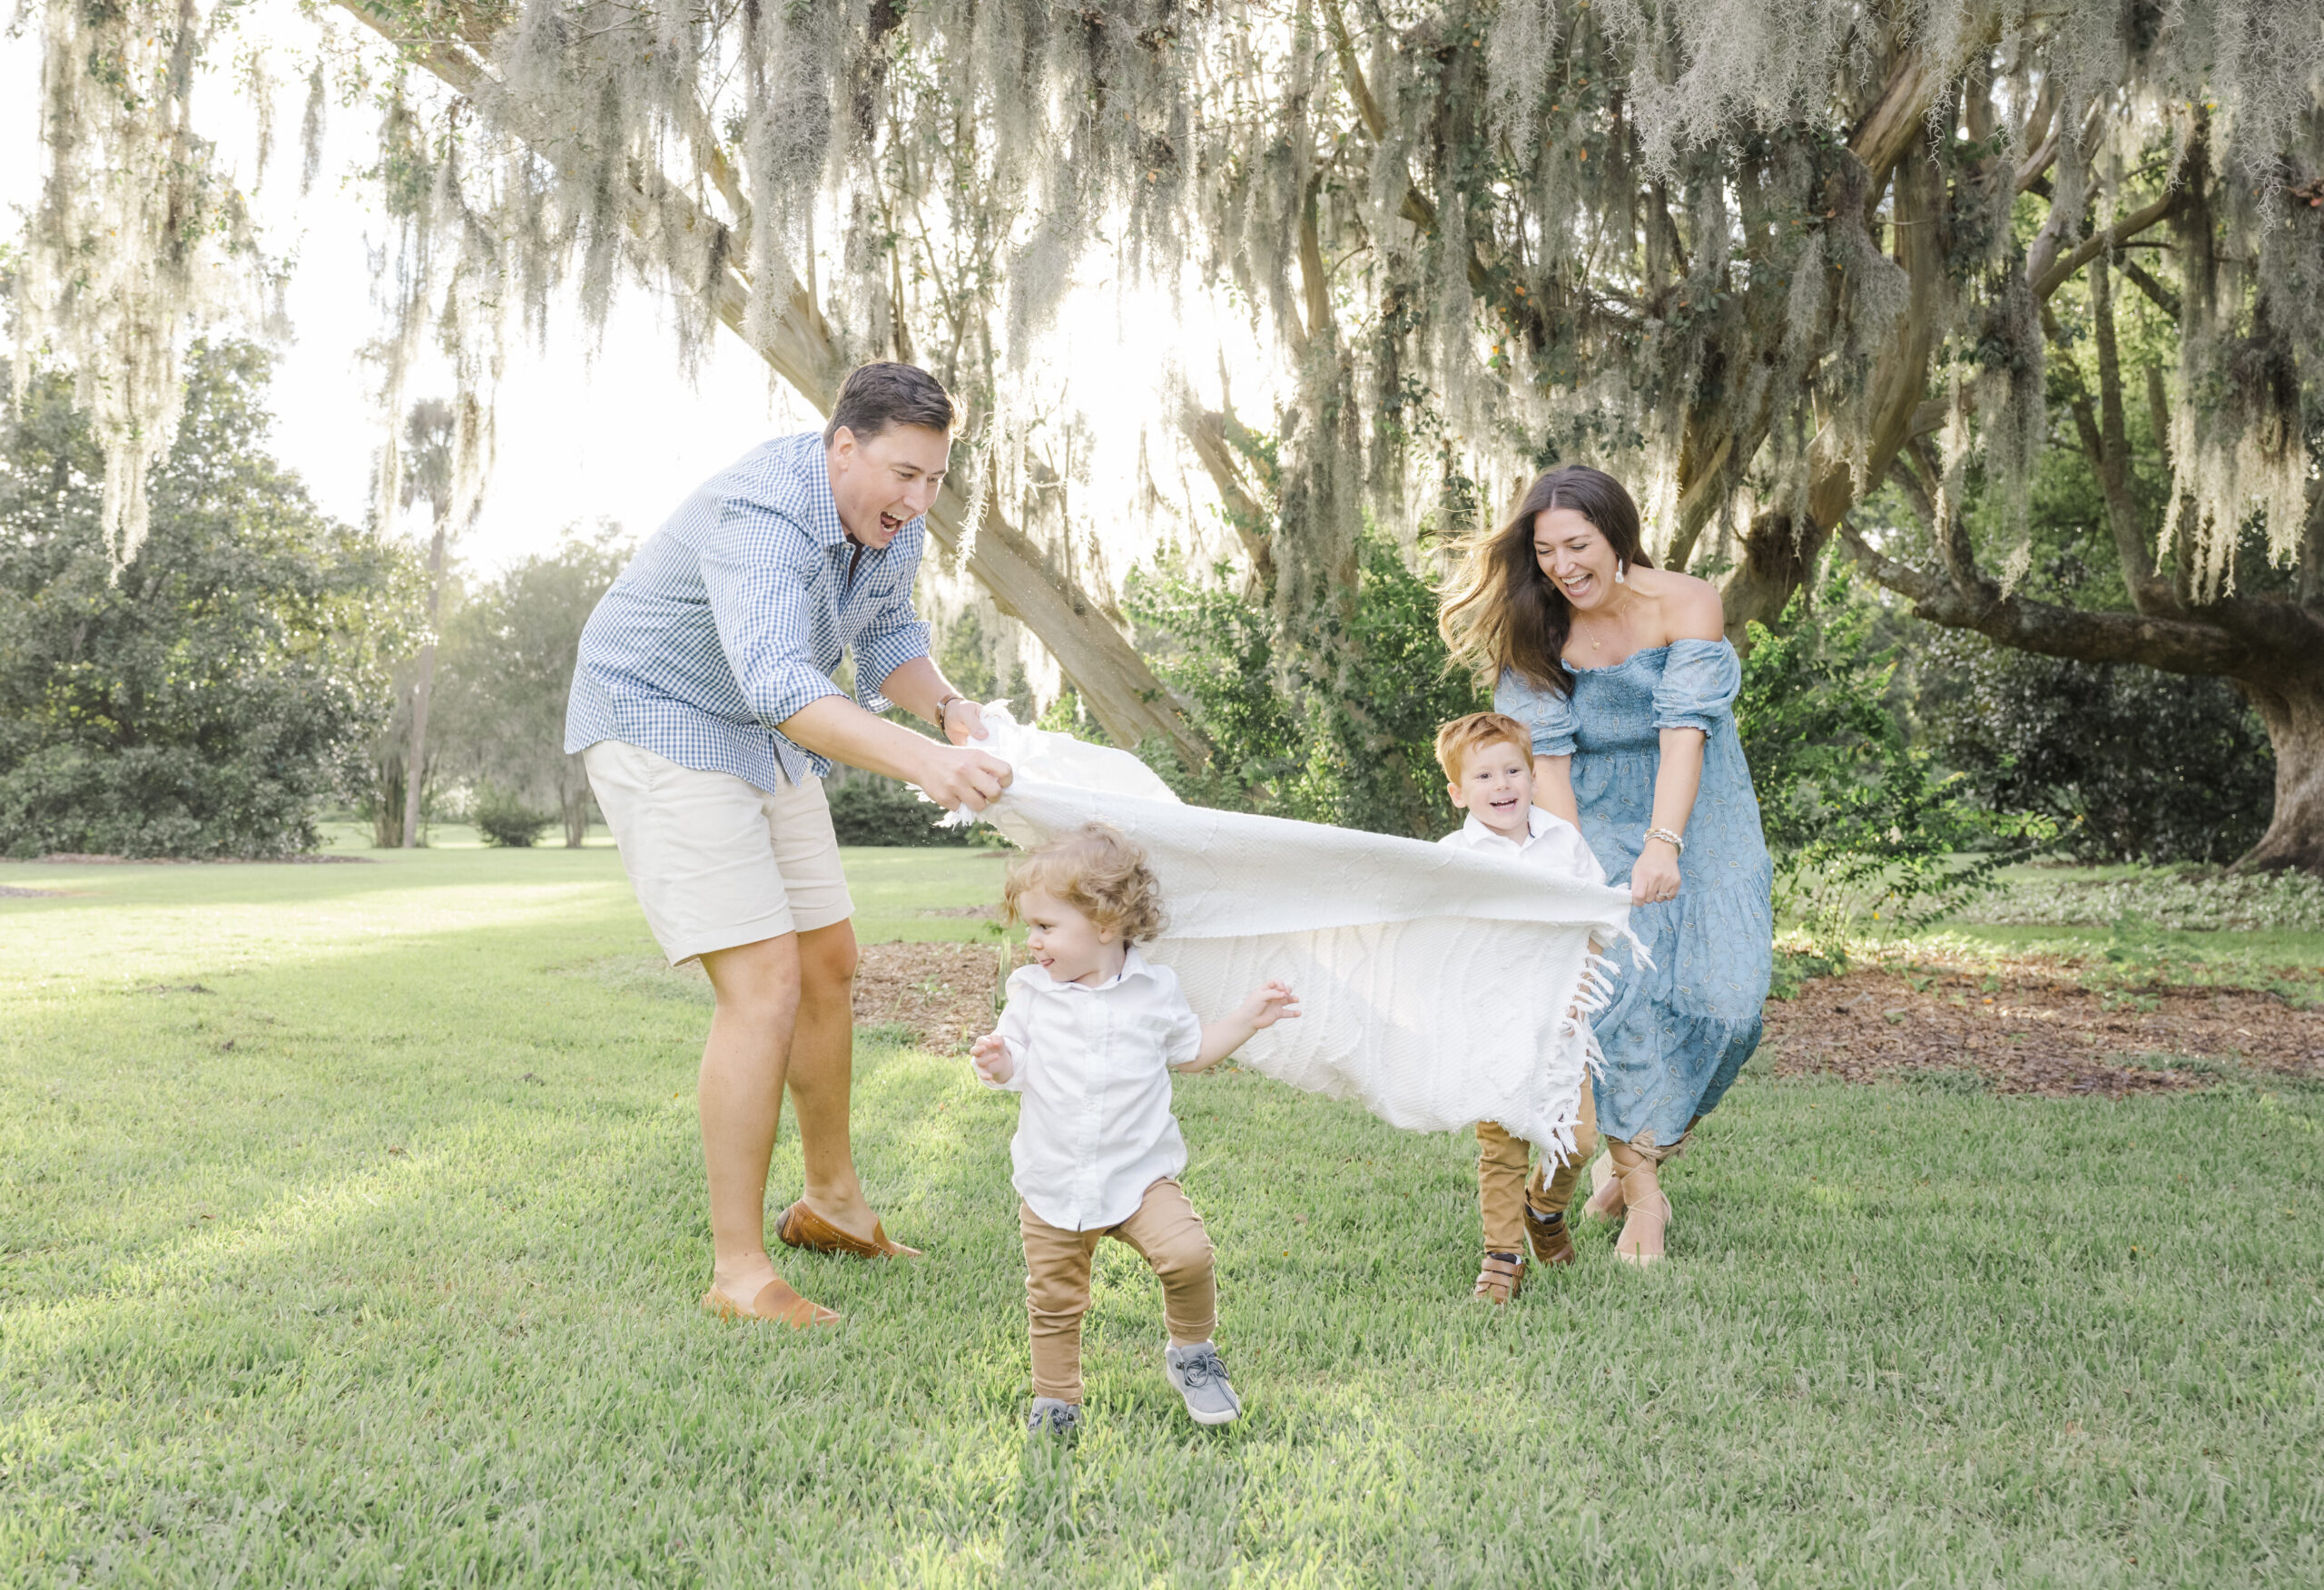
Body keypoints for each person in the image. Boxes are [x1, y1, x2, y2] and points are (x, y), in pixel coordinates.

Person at [565, 362, 1016, 1326]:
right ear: (842, 447)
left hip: (763, 728)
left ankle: (832, 1204)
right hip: (662, 720)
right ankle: (738, 1275)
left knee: (828, 960)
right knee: (762, 980)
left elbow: (887, 633)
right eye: (903, 474)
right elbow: (779, 679)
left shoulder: (889, 518)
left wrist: (945, 708)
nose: (918, 499)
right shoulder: (760, 515)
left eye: (935, 479)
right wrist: (923, 767)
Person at [1439, 466, 1772, 1267]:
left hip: (1701, 808)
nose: (1561, 565)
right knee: (1617, 993)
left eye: (1577, 545)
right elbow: (1546, 764)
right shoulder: (1535, 627)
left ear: (1617, 536)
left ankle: (1643, 1143)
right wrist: (1575, 873)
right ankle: (1643, 1193)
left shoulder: (1686, 602)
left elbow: (1683, 734)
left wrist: (1667, 842)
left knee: (1729, 1004)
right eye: (1545, 550)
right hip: (1586, 815)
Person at [969, 823, 1299, 1437]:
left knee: (1187, 1254)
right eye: (1030, 929)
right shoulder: (1032, 995)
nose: (1032, 943)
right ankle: (1057, 1401)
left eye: (1045, 927)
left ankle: (1193, 1353)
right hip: (1054, 1178)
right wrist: (999, 1061)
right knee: (1056, 1300)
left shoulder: (1155, 991)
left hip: (1140, 1174)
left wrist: (1248, 1020)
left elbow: (1193, 1052)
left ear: (1104, 924)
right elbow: (1015, 1062)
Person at [1433, 711, 1609, 1301]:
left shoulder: (1564, 842)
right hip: (1494, 1029)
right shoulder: (1455, 859)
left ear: (1534, 777)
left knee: (1577, 1141)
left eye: (1513, 771)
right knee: (1502, 1145)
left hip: (1562, 1025)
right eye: (1483, 777)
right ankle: (1502, 1254)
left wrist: (1583, 976)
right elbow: (1441, 939)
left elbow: (1599, 916)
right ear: (1459, 793)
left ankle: (1545, 1209)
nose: (1502, 785)